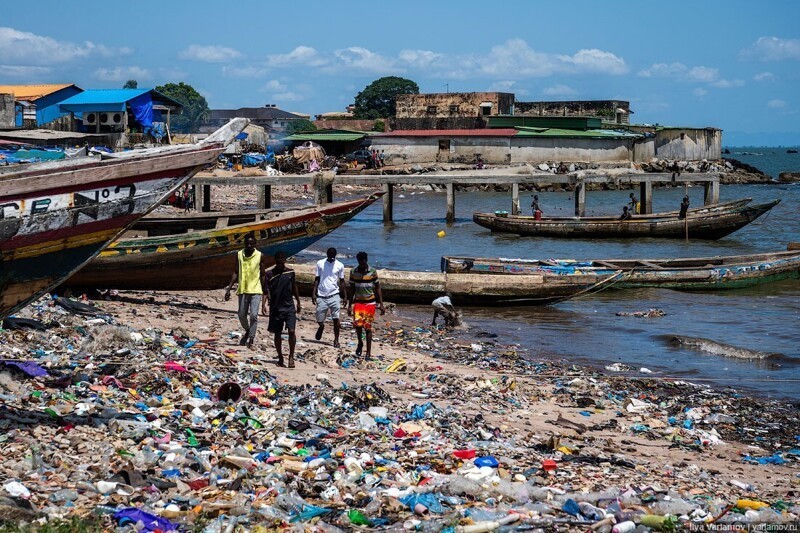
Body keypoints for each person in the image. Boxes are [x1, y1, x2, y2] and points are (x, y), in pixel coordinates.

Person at [224, 233, 268, 349]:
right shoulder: (239, 255)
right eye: (247, 243)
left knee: (254, 315)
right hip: (243, 289)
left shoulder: (260, 256)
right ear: (244, 244)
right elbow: (235, 272)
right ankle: (248, 330)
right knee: (241, 314)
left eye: (251, 243)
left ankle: (251, 340)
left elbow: (263, 274)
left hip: (256, 290)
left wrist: (265, 290)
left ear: (255, 244)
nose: (249, 245)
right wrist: (229, 289)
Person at [264, 251, 301, 368]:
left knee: (291, 331)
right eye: (278, 260)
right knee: (277, 334)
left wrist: (298, 302)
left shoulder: (290, 272)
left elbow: (294, 287)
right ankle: (280, 356)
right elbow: (266, 290)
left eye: (282, 260)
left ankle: (291, 356)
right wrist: (264, 303)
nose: (280, 262)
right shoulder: (269, 274)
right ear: (275, 261)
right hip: (276, 308)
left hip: (289, 307)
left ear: (285, 260)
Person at [347, 251, 384, 360]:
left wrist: (381, 304)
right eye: (360, 262)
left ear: (366, 261)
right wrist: (349, 305)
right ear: (358, 261)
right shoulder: (353, 272)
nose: (362, 264)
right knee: (358, 325)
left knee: (368, 328)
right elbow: (352, 289)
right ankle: (360, 342)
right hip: (358, 302)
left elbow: (377, 287)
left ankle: (368, 352)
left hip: (370, 303)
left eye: (363, 262)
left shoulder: (372, 272)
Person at [311, 247, 347, 348]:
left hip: (334, 294)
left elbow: (342, 281)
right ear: (327, 255)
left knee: (336, 318)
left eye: (333, 257)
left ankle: (336, 339)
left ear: (335, 256)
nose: (331, 259)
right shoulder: (320, 263)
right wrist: (314, 293)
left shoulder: (340, 265)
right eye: (329, 257)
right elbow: (317, 279)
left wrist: (345, 296)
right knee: (319, 318)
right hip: (322, 294)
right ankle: (321, 326)